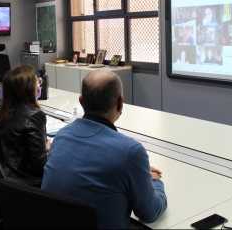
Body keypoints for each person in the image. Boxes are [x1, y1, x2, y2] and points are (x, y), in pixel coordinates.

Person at [42, 70, 167, 229]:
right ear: (120, 102)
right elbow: (150, 213)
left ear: (81, 101)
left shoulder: (61, 137)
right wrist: (154, 181)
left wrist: (137, 171)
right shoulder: (130, 152)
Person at [0, 65, 50, 183]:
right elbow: (40, 165)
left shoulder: (4, 112)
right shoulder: (34, 115)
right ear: (28, 88)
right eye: (37, 82)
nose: (39, 86)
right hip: (20, 182)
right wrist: (47, 149)